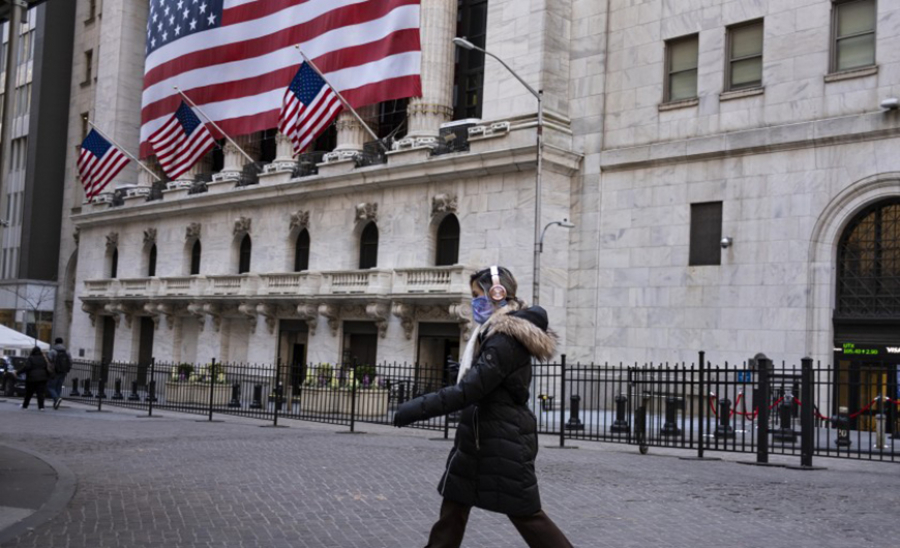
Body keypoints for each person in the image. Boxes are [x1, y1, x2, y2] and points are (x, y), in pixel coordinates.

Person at [393, 266, 574, 548]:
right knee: (454, 506)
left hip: (502, 438)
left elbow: (469, 391)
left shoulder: (504, 339)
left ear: (497, 293)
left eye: (478, 295)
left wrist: (415, 408)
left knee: (526, 514)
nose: (474, 301)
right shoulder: (491, 333)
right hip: (480, 436)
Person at [47, 337, 72, 410]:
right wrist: (67, 369)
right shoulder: (67, 351)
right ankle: (56, 402)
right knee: (59, 386)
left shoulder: (53, 351)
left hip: (54, 372)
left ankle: (56, 398)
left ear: (55, 342)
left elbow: (48, 361)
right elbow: (70, 361)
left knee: (50, 387)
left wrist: (49, 370)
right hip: (63, 371)